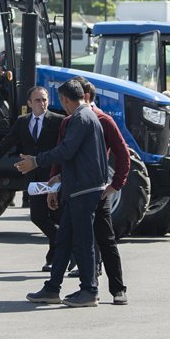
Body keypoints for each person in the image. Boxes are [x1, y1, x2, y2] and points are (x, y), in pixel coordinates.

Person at [17, 78, 107, 308]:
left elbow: (66, 151)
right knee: (64, 239)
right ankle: (52, 288)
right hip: (78, 187)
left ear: (65, 100)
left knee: (83, 241)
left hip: (84, 189)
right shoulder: (87, 116)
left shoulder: (80, 118)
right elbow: (79, 156)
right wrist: (60, 178)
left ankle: (89, 290)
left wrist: (36, 161)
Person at [51, 78, 131, 304]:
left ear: (86, 97)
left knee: (104, 240)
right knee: (73, 239)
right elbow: (62, 156)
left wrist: (116, 184)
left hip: (96, 189)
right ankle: (70, 285)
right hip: (77, 187)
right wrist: (53, 185)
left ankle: (116, 289)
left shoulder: (103, 120)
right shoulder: (69, 122)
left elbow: (123, 153)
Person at [0, 86, 64, 269]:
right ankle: (62, 243)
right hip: (34, 179)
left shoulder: (58, 121)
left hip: (53, 177)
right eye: (37, 100)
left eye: (44, 99)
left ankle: (55, 256)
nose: (42, 103)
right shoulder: (22, 122)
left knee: (57, 216)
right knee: (37, 216)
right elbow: (5, 145)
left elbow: (63, 149)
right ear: (29, 103)